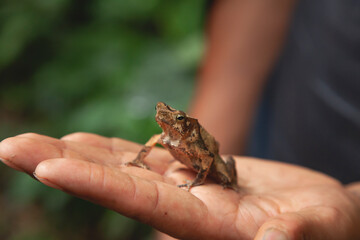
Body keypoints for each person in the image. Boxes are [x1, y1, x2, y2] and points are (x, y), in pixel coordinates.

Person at [1, 1, 360, 240]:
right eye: (163, 116)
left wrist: (209, 183)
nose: (165, 121)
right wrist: (140, 159)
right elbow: (157, 141)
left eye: (174, 119)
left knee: (225, 169)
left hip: (255, 159)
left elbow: (208, 157)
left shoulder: (188, 137)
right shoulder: (167, 138)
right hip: (291, 119)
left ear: (184, 124)